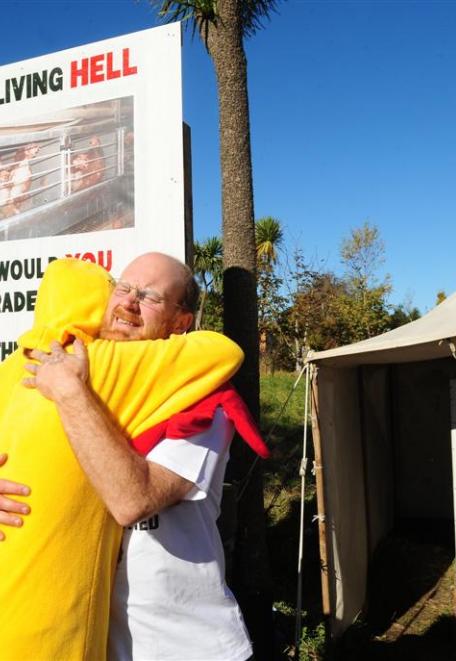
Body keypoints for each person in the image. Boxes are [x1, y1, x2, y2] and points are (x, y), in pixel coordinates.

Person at [1, 253, 263, 660]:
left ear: (181, 322)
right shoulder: (75, 368)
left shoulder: (203, 402)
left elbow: (132, 501)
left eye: (150, 296)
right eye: (122, 288)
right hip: (97, 644)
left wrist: (71, 393)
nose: (128, 301)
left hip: (187, 647)